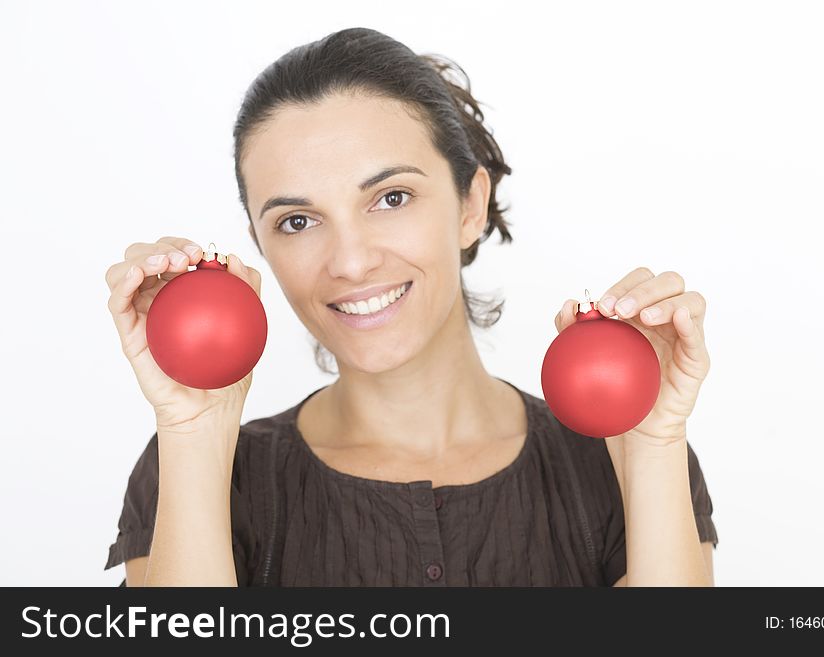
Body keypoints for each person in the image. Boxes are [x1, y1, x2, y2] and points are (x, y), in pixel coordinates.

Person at [103, 27, 718, 587]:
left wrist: (652, 446)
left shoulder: (619, 459)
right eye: (296, 220)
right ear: (259, 245)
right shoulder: (206, 472)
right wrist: (194, 428)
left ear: (471, 206)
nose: (349, 260)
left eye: (392, 197)